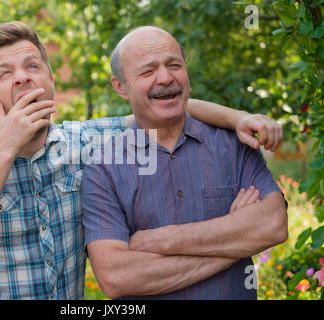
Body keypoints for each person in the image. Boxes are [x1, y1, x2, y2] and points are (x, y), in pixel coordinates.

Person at [0, 21, 283, 300]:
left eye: (33, 65)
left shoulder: (86, 141)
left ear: (51, 81)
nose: (22, 76)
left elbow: (159, 104)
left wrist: (237, 118)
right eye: (5, 73)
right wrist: (5, 148)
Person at [82, 26, 288, 300]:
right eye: (147, 71)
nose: (165, 77)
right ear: (120, 86)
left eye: (174, 65)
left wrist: (161, 240)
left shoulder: (234, 144)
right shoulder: (103, 168)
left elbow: (273, 224)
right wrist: (234, 239)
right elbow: (117, 277)